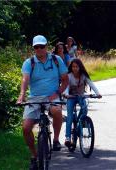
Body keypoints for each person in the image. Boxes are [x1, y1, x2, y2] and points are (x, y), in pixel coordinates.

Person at [16, 35, 69, 170]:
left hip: (52, 96)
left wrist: (56, 93)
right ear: (33, 48)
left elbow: (65, 80)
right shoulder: (29, 62)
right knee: (26, 128)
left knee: (57, 111)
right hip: (34, 98)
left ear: (47, 46)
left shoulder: (56, 60)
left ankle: (56, 139)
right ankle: (34, 156)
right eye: (36, 47)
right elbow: (25, 80)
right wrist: (22, 95)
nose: (39, 49)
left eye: (42, 46)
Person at [64, 58, 102, 147]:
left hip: (81, 96)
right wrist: (66, 94)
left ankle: (81, 122)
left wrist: (98, 93)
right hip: (71, 97)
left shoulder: (83, 75)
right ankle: (68, 137)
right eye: (73, 67)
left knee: (84, 108)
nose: (75, 68)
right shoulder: (69, 76)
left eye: (76, 67)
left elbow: (91, 84)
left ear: (80, 67)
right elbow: (66, 87)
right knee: (69, 116)